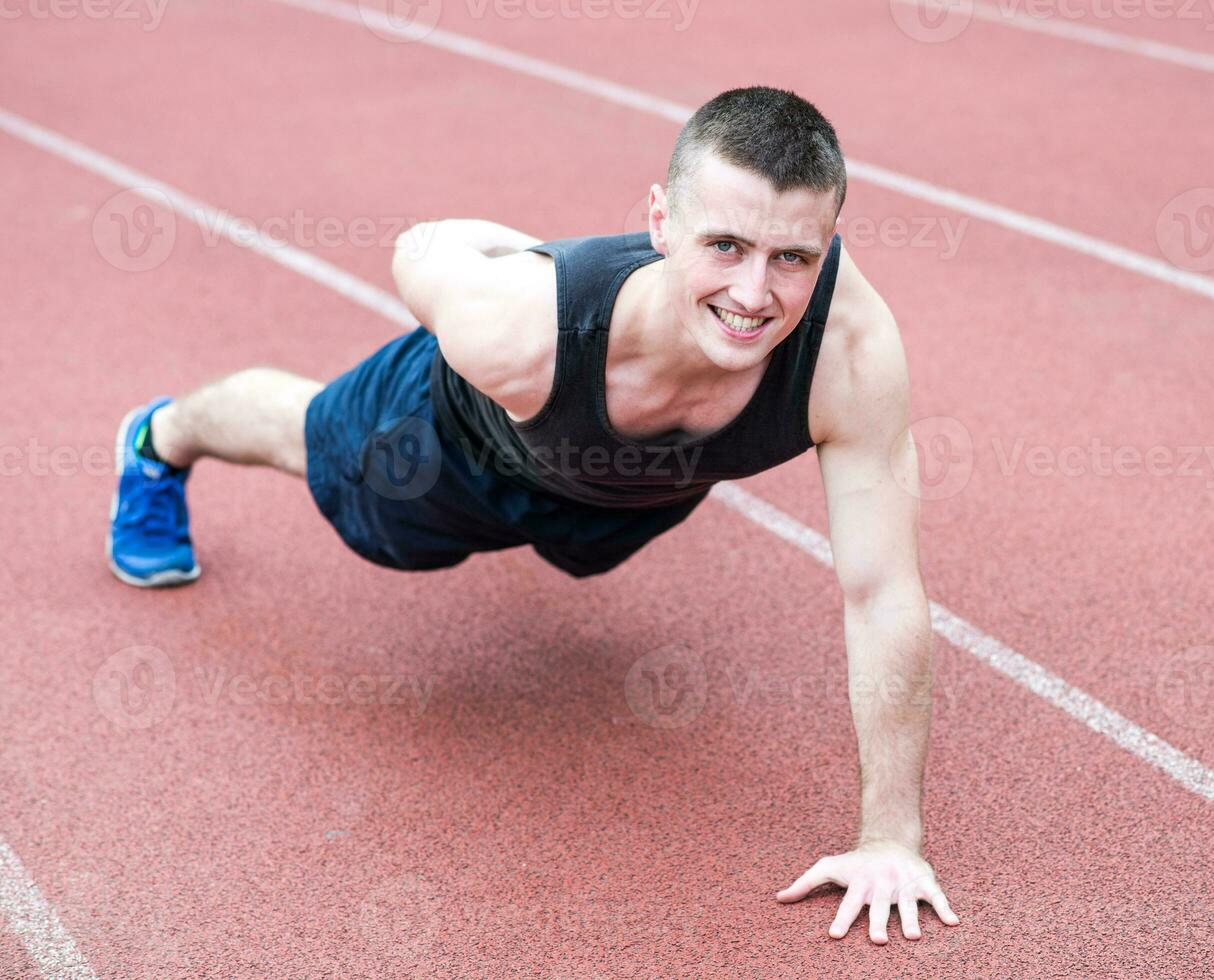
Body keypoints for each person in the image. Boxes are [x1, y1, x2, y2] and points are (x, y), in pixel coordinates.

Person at [107, 85, 957, 944]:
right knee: (317, 445)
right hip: (451, 444)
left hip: (628, 493)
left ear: (830, 246)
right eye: (725, 245)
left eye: (791, 259)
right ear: (660, 222)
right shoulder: (515, 326)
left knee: (588, 553)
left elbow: (881, 590)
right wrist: (516, 255)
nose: (752, 295)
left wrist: (890, 839)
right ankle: (160, 438)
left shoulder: (849, 355)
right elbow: (420, 250)